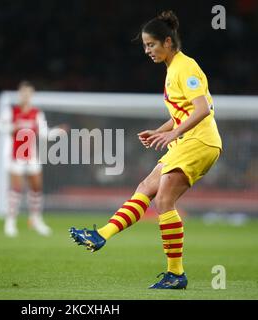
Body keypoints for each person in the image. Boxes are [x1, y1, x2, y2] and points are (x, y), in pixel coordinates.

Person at [69, 10, 222, 290]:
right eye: (144, 46)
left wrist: (175, 132)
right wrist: (163, 130)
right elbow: (185, 110)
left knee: (164, 202)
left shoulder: (184, 67)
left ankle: (176, 274)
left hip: (199, 142)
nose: (147, 50)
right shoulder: (173, 68)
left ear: (167, 41)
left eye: (151, 44)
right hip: (186, 140)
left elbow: (203, 109)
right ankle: (101, 234)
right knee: (145, 187)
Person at [0, 81, 67, 237]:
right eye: (23, 92)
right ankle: (10, 222)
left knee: (36, 187)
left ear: (32, 95)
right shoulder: (11, 112)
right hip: (14, 155)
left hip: (31, 155)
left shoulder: (36, 113)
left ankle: (36, 220)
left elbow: (44, 133)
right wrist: (12, 127)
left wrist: (57, 132)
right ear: (19, 94)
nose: (26, 96)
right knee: (16, 188)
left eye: (28, 93)